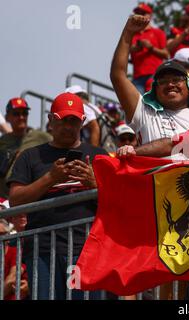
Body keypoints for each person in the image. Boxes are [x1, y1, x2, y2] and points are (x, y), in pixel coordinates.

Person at [7, 92, 108, 300]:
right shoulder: (30, 156)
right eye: (63, 120)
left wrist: (94, 184)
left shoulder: (99, 155)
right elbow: (15, 200)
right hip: (42, 250)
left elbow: (119, 202)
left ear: (82, 123)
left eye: (73, 120)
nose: (68, 126)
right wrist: (50, 178)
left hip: (86, 249)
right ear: (51, 121)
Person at [110, 14, 189, 145]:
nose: (170, 84)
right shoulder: (144, 113)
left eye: (177, 79)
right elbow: (118, 75)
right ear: (155, 89)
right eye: (163, 81)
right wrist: (128, 33)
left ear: (188, 85)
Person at [0, 98, 52, 198]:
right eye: (16, 114)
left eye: (25, 113)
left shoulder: (41, 137)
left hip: (30, 197)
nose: (21, 117)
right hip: (4, 200)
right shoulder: (2, 142)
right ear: (7, 118)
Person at [129, 3, 169, 94]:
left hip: (155, 74)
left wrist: (151, 48)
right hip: (138, 76)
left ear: (150, 16)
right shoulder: (132, 34)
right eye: (138, 14)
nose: (140, 16)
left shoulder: (158, 32)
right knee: (138, 105)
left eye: (143, 13)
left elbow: (166, 54)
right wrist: (137, 47)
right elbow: (127, 50)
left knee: (152, 103)